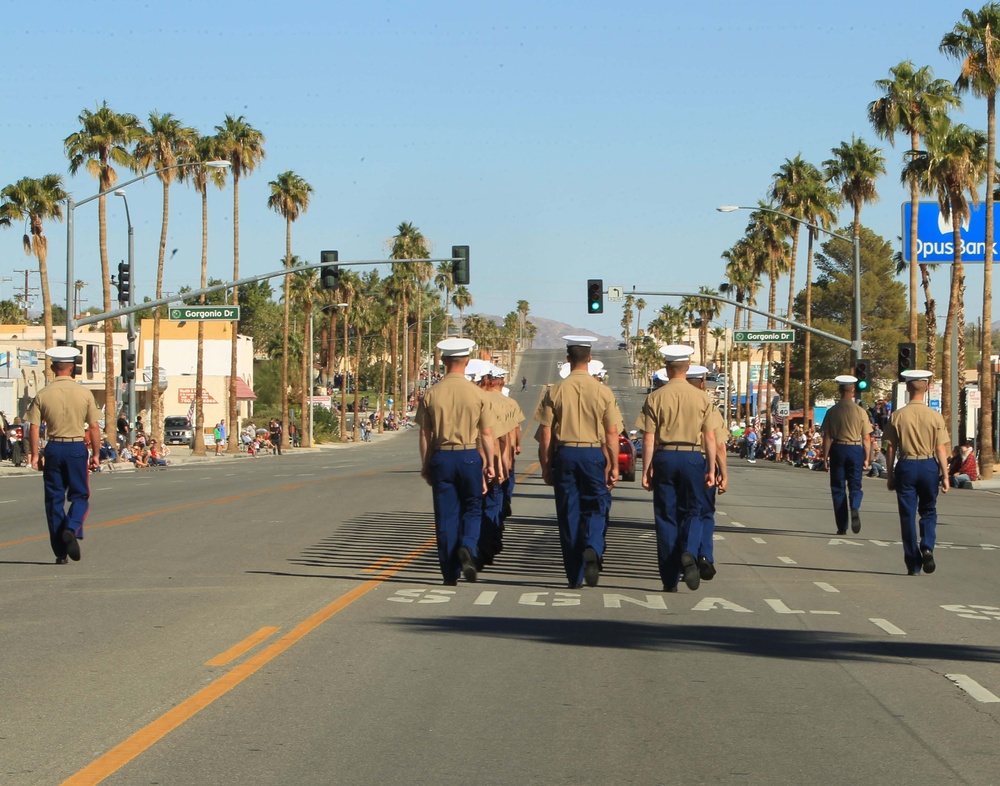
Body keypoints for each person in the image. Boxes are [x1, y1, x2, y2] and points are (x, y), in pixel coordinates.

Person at [536, 336, 622, 589]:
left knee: (568, 513)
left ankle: (574, 575)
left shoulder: (555, 391)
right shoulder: (603, 391)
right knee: (595, 506)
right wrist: (614, 465)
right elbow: (612, 432)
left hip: (565, 454)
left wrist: (545, 464)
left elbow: (545, 432)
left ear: (568, 360)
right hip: (593, 453)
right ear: (590, 359)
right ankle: (593, 546)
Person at [636, 345, 716, 592]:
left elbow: (648, 438)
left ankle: (669, 579)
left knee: (666, 516)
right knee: (693, 509)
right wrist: (711, 469)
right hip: (693, 457)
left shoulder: (655, 397)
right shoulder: (703, 397)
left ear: (667, 368)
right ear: (688, 368)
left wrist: (646, 469)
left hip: (665, 457)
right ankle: (690, 551)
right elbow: (710, 437)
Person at [416, 337, 496, 585]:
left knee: (445, 516)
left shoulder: (431, 393)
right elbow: (486, 434)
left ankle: (449, 574)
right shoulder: (477, 394)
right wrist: (489, 465)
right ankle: (468, 546)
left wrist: (426, 464)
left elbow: (424, 434)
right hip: (469, 456)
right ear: (467, 361)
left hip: (441, 455)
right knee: (473, 507)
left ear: (443, 361)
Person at [24, 346, 102, 564]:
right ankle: (72, 527)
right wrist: (96, 454)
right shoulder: (84, 393)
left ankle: (60, 552)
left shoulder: (43, 394)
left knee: (54, 500)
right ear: (73, 368)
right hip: (76, 448)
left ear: (52, 368)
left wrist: (34, 454)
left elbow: (33, 427)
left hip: (53, 448)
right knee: (80, 495)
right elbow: (94, 427)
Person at [884, 369, 950, 575]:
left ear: (908, 388)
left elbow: (890, 448)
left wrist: (890, 474)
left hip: (906, 465)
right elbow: (941, 449)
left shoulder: (897, 416)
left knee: (907, 514)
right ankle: (927, 546)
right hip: (929, 464)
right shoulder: (935, 416)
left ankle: (913, 563)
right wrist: (945, 475)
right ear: (927, 388)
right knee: (929, 510)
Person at [687, 364, 728, 580]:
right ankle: (703, 555)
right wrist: (722, 473)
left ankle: (685, 554)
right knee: (704, 512)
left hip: (675, 460)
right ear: (702, 384)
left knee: (681, 512)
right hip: (703, 462)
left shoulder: (667, 399)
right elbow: (718, 444)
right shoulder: (708, 406)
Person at [820, 374, 873, 535]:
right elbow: (866, 438)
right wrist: (866, 457)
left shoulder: (832, 412)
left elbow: (827, 437)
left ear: (839, 390)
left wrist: (825, 458)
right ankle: (855, 506)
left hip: (838, 448)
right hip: (855, 448)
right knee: (855, 484)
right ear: (853, 390)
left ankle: (842, 526)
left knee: (838, 488)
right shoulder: (861, 411)